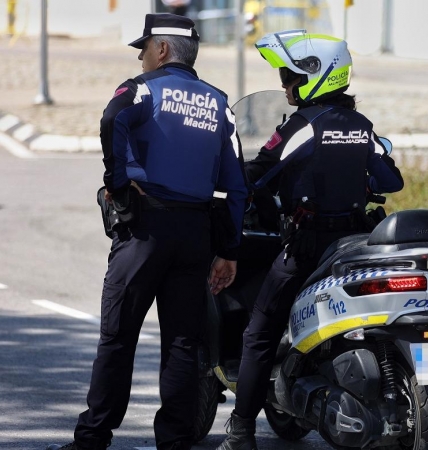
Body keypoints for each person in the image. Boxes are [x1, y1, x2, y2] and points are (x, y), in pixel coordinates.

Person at [47, 13, 248, 450]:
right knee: (182, 344)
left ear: (161, 50)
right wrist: (228, 249)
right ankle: (174, 443)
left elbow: (111, 119)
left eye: (144, 48)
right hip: (195, 234)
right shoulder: (218, 102)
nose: (140, 57)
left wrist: (118, 185)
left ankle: (92, 439)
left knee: (118, 337)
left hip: (144, 231)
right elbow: (237, 183)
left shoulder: (142, 89)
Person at [216, 30, 404, 449]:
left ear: (316, 75)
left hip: (308, 247)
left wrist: (217, 177)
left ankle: (241, 430)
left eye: (289, 75)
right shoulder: (362, 126)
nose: (285, 84)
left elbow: (257, 173)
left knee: (258, 332)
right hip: (358, 246)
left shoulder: (303, 126)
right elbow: (391, 179)